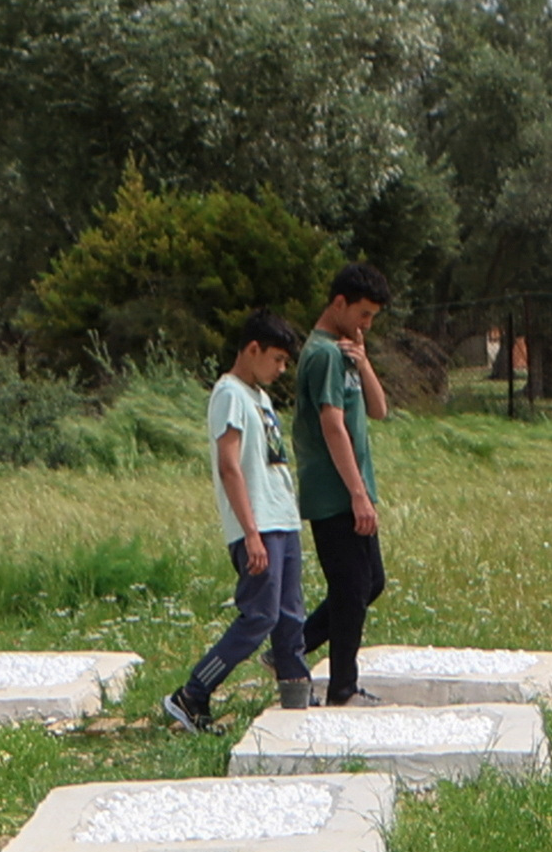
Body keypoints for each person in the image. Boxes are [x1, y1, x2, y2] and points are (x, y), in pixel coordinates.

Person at [161, 313, 310, 730]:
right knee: (259, 615)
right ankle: (191, 695)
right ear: (252, 349)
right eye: (277, 359)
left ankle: (297, 702)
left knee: (290, 616)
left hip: (282, 518)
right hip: (257, 524)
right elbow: (230, 465)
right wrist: (250, 532)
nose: (281, 370)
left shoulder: (259, 397)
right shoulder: (230, 394)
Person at [295, 270, 394, 703]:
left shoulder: (345, 355)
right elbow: (332, 426)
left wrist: (365, 361)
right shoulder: (323, 356)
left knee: (369, 582)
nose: (367, 324)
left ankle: (293, 644)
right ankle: (342, 687)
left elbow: (379, 410)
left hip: (355, 489)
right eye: (363, 313)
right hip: (335, 493)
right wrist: (356, 493)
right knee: (350, 588)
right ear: (338, 304)